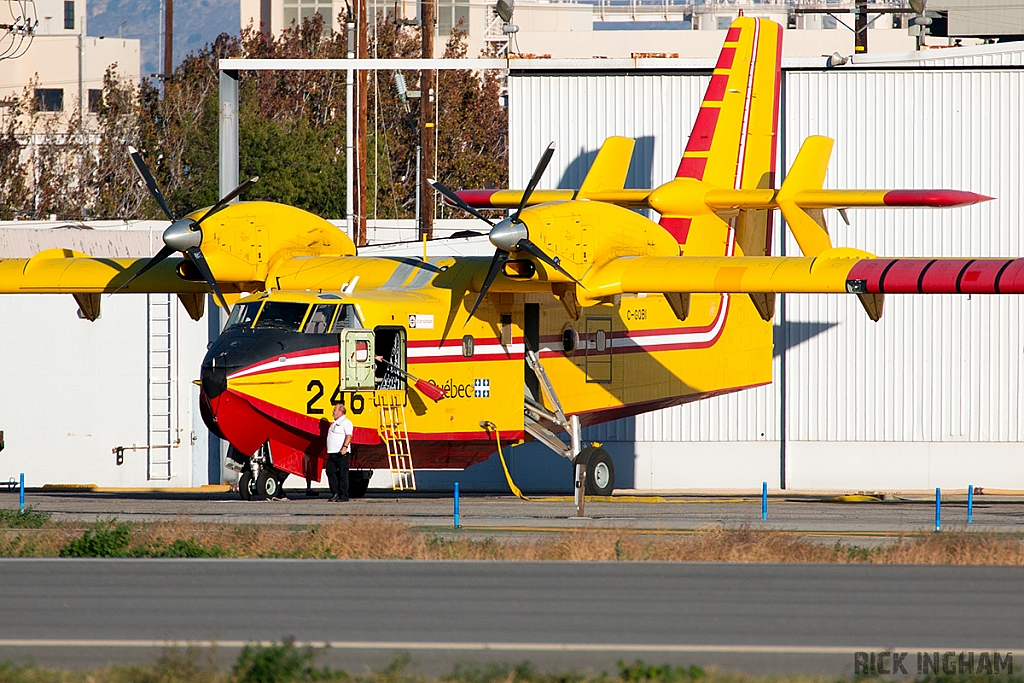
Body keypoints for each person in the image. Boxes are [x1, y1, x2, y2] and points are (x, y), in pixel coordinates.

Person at [325, 403, 353, 502]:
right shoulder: (334, 423)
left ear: (341, 412)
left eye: (335, 410)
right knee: (329, 471)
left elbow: (348, 435)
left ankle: (344, 495)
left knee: (342, 474)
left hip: (341, 452)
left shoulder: (346, 422)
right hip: (332, 452)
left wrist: (344, 447)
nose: (333, 412)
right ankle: (335, 492)